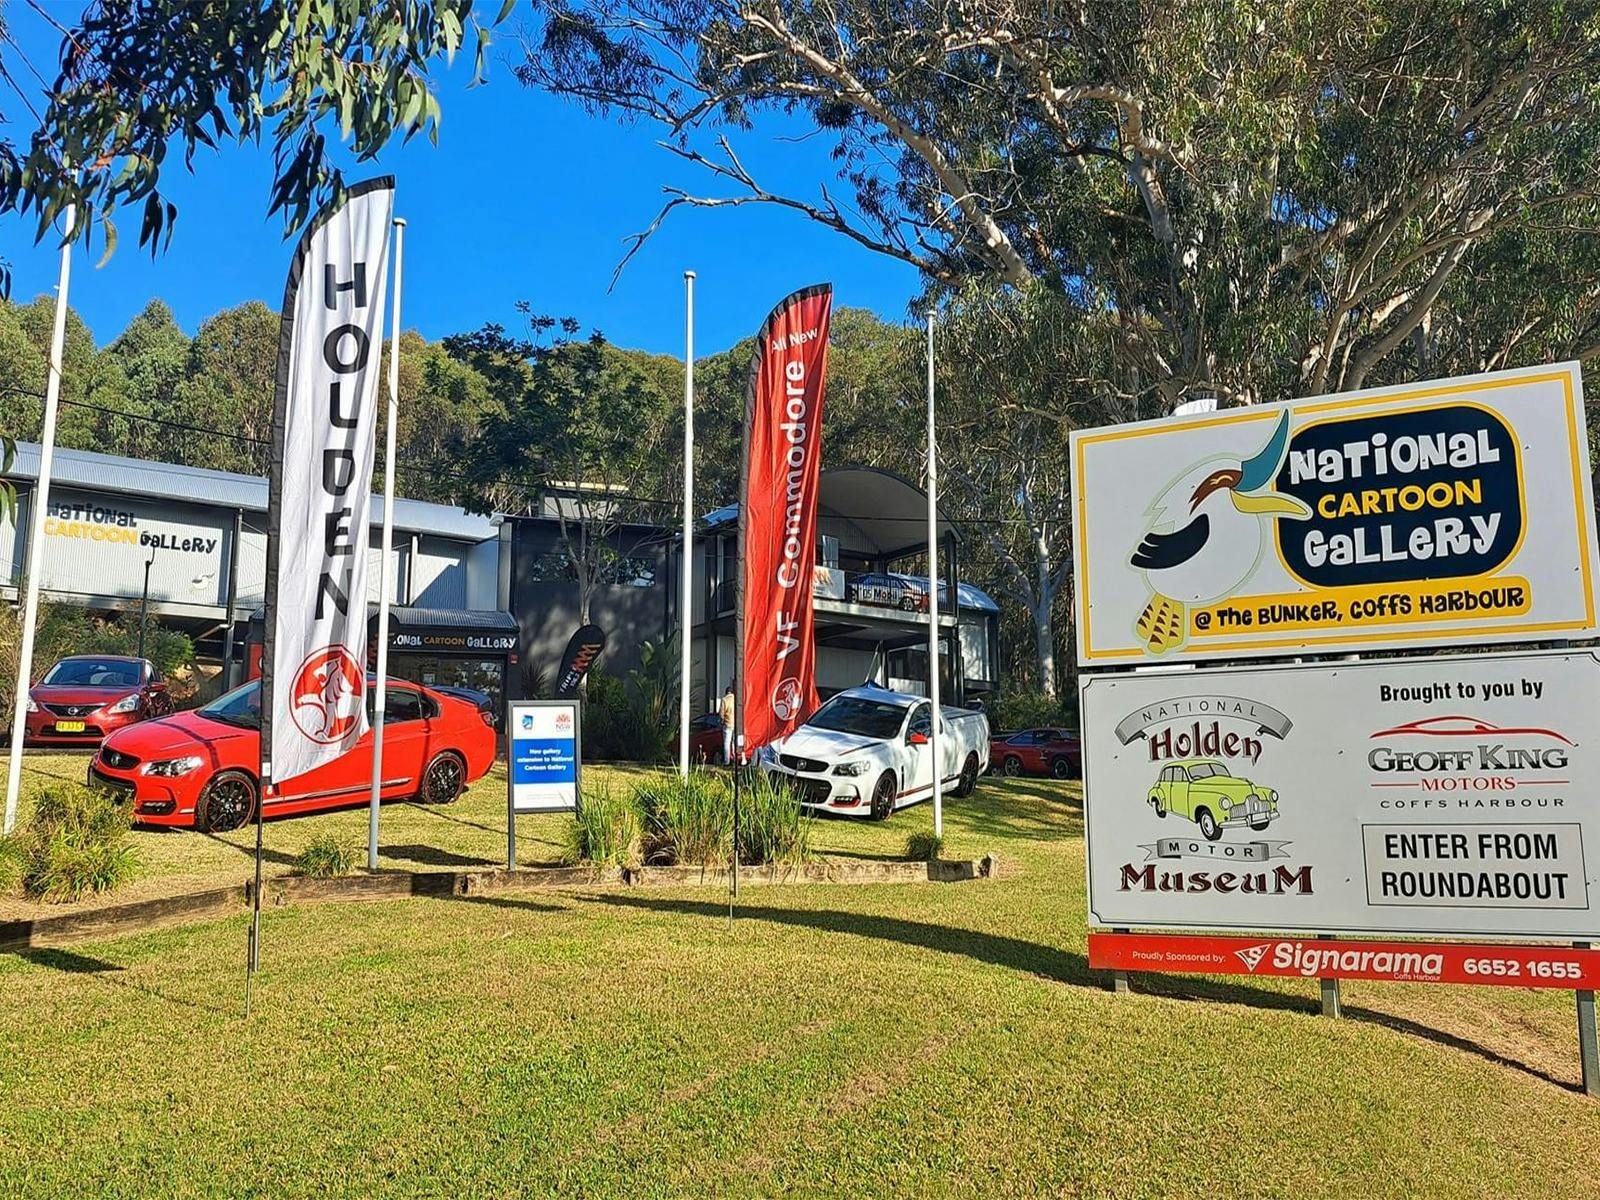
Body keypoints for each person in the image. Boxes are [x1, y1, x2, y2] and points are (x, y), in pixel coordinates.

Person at [718, 683, 736, 765]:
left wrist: (721, 721)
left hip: (728, 724)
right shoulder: (736, 699)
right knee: (734, 743)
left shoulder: (724, 700)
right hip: (736, 725)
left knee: (726, 743)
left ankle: (726, 761)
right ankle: (735, 759)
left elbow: (721, 714)